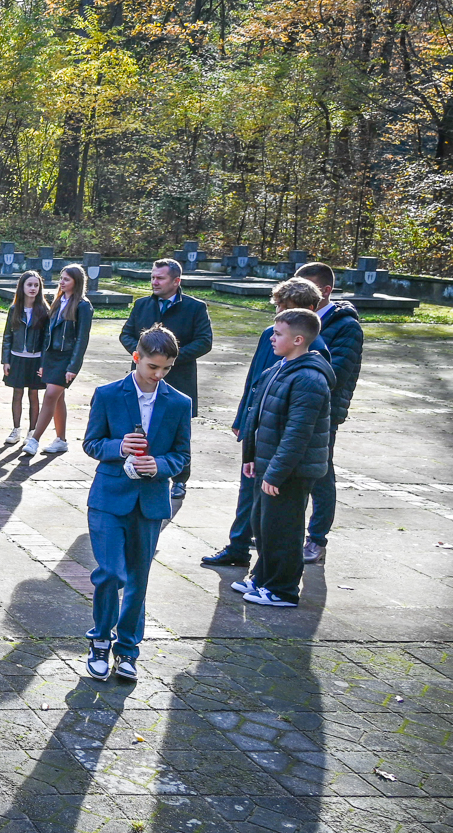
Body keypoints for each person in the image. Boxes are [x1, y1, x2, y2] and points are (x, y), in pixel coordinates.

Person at [81, 326, 192, 683]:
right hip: (109, 498)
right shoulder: (108, 394)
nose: (158, 375)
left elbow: (182, 455)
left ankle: (128, 649)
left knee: (138, 580)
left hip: (150, 501)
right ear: (136, 358)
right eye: (152, 367)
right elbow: (91, 443)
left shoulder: (179, 402)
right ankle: (100, 639)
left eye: (166, 369)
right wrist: (118, 447)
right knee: (111, 573)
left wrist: (160, 465)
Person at [201, 279, 329, 569]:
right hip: (260, 429)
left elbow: (308, 405)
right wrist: (243, 418)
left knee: (275, 510)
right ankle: (239, 546)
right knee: (249, 494)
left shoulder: (315, 349)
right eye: (278, 307)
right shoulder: (269, 335)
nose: (279, 315)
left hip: (281, 437)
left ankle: (268, 566)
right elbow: (255, 379)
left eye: (287, 308)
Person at [234, 309, 334, 609]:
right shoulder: (280, 368)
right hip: (268, 464)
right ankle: (263, 578)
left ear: (298, 339)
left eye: (278, 334)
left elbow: (297, 434)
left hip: (290, 472)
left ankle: (283, 590)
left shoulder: (309, 379)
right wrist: (251, 456)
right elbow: (259, 416)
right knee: (263, 526)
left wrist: (276, 473)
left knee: (284, 530)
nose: (272, 338)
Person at [118, 259, 213, 500]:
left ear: (176, 281)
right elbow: (126, 334)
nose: (154, 282)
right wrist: (143, 356)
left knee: (178, 433)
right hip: (142, 381)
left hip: (178, 380)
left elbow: (204, 341)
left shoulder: (195, 307)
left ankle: (179, 479)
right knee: (139, 427)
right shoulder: (142, 305)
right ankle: (135, 470)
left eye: (160, 278)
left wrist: (169, 359)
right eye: (152, 277)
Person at [295, 262, 364, 565]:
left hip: (323, 412)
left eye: (306, 288)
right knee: (289, 473)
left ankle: (317, 539)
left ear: (325, 291)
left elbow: (336, 373)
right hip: (293, 407)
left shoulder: (345, 326)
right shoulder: (296, 320)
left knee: (320, 475)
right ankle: (288, 531)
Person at [25, 264, 92, 456]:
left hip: (67, 358)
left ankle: (34, 440)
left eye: (66, 279)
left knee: (50, 396)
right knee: (58, 398)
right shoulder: (58, 301)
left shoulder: (83, 305)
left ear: (76, 282)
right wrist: (43, 363)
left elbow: (82, 339)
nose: (61, 282)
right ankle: (61, 440)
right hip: (52, 356)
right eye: (61, 278)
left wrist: (73, 367)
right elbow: (48, 335)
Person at [0, 270, 49, 446]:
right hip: (17, 357)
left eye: (36, 285)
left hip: (35, 359)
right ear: (22, 287)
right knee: (17, 394)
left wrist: (44, 363)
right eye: (29, 284)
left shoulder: (44, 311)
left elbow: (46, 340)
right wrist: (6, 361)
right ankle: (16, 430)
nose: (33, 288)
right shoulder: (14, 309)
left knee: (33, 395)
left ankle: (32, 432)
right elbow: (7, 336)